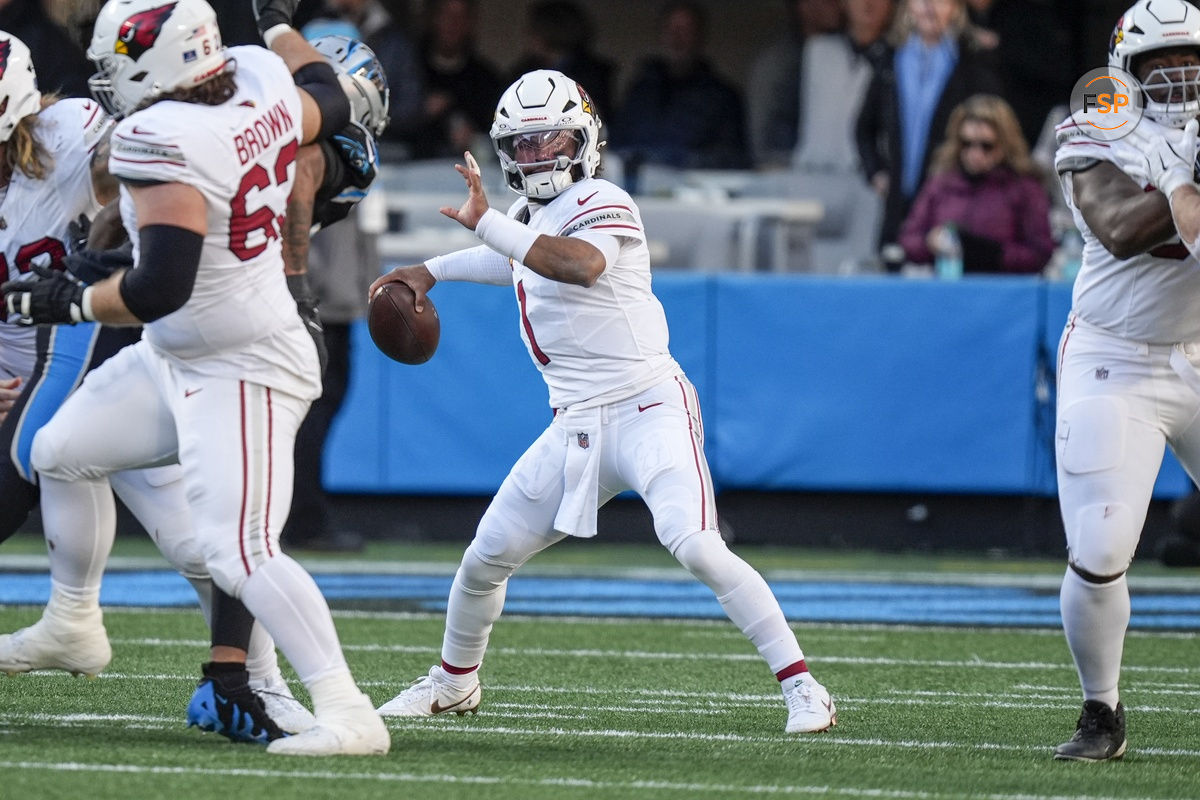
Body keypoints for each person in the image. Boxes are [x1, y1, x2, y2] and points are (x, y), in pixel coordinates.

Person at [368, 69, 837, 735]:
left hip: (649, 406)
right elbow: (518, 259)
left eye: (550, 140)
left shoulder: (603, 199)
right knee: (485, 557)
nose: (537, 157)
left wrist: (490, 225)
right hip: (578, 425)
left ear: (583, 139)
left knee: (696, 544)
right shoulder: (530, 220)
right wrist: (431, 270)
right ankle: (453, 681)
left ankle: (804, 688)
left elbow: (576, 264)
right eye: (522, 145)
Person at [1, 0, 388, 757]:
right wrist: (274, 21)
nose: (105, 83)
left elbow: (156, 289)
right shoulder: (258, 77)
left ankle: (349, 712)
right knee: (60, 448)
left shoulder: (164, 136)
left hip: (238, 360)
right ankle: (72, 621)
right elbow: (329, 92)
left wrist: (65, 299)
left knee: (239, 552)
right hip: (179, 349)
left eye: (117, 67)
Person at [1047, 0, 1200, 762]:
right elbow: (1116, 225)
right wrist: (1180, 181)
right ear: (1125, 73)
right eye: (1161, 65)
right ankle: (1100, 709)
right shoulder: (1095, 126)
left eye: (1192, 62)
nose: (1178, 79)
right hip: (1118, 356)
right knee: (1102, 546)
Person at [855, 0, 1002, 255]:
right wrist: (876, 172)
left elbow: (993, 128)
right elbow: (863, 128)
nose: (929, 7)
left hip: (951, 204)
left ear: (955, 8)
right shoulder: (889, 57)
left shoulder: (972, 59)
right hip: (897, 204)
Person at [897, 94, 1053, 273]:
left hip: (1002, 292)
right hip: (948, 288)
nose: (975, 153)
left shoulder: (1024, 188)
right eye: (967, 144)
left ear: (1004, 144)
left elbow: (1041, 252)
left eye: (986, 146)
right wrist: (930, 242)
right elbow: (908, 239)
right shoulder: (941, 183)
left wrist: (993, 254)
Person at [612, 1, 749, 174]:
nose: (676, 38)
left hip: (693, 195)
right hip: (635, 191)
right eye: (670, 30)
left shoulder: (723, 97)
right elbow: (615, 146)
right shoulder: (639, 92)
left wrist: (680, 161)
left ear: (700, 36)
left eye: (685, 30)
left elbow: (734, 159)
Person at [746, 0, 844, 168]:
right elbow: (767, 148)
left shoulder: (853, 56)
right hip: (791, 178)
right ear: (803, 6)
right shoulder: (779, 63)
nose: (838, 4)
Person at [409, 0, 504, 161]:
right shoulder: (410, 72)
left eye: (461, 17)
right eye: (446, 15)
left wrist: (475, 138)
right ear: (433, 18)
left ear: (471, 23)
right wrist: (419, 112)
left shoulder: (486, 80)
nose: (453, 23)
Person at [508, 0, 616, 122]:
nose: (527, 35)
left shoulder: (592, 73)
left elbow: (599, 117)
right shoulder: (524, 72)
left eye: (533, 29)